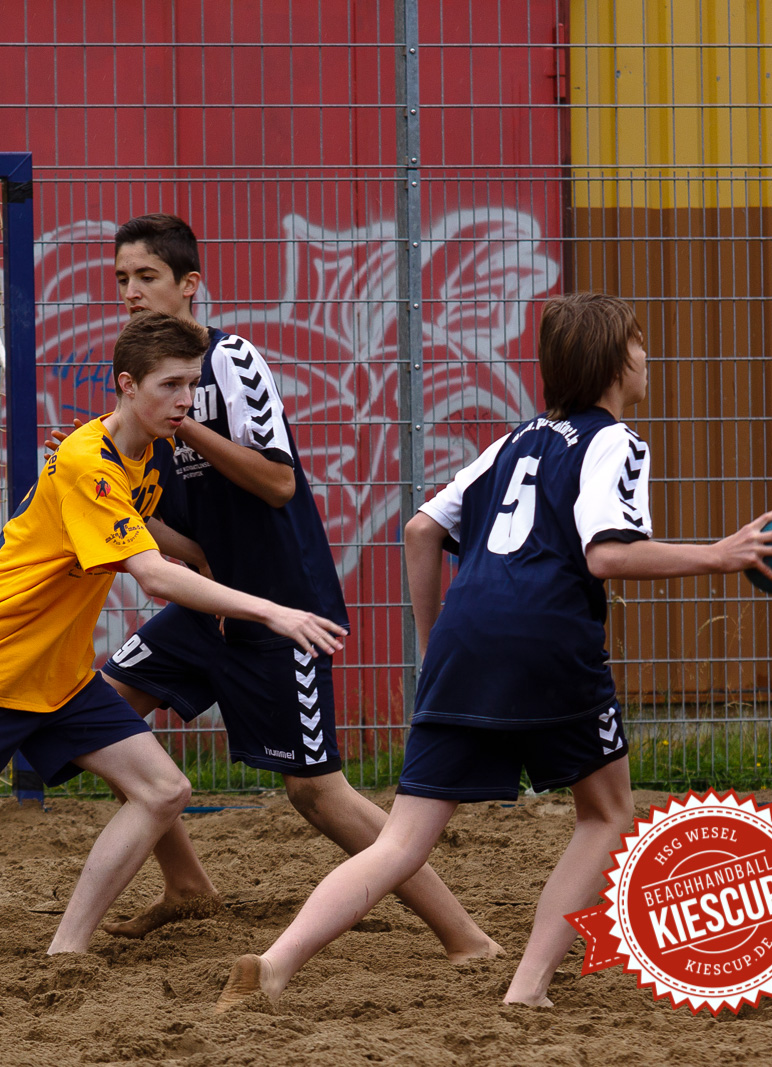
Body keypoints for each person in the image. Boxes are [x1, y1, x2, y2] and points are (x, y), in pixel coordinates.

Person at [215, 291, 772, 1011]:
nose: (649, 358)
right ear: (617, 362)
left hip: (466, 636)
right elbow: (608, 556)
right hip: (548, 636)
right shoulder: (616, 440)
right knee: (607, 811)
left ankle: (274, 963)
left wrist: (434, 650)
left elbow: (420, 529)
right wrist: (719, 554)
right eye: (640, 344)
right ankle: (527, 987)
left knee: (400, 841)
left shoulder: (516, 439)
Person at [0, 312, 347, 980]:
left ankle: (65, 952)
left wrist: (210, 564)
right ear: (127, 385)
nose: (186, 401)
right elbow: (152, 571)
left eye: (192, 383)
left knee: (162, 791)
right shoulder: (86, 462)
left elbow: (151, 529)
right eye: (170, 385)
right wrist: (270, 609)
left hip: (61, 673)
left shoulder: (143, 450)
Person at [75, 214, 497, 962]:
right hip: (211, 605)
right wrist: (111, 491)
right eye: (120, 280)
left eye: (146, 277)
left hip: (284, 608)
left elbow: (277, 482)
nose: (131, 292)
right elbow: (189, 545)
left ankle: (465, 936)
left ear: (188, 284)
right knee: (105, 714)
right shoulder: (146, 388)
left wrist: (182, 428)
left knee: (314, 792)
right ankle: (186, 884)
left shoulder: (230, 361)